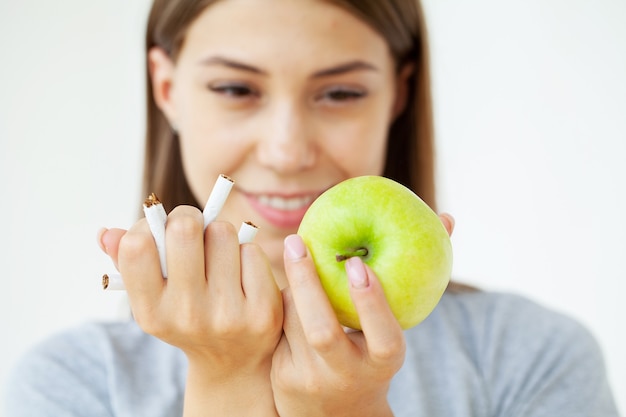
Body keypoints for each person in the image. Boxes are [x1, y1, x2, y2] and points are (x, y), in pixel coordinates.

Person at [5, 0, 619, 416]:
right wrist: (226, 382)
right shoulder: (75, 385)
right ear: (167, 89)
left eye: (341, 93)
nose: (287, 150)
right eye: (236, 89)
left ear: (397, 95)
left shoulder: (531, 360)